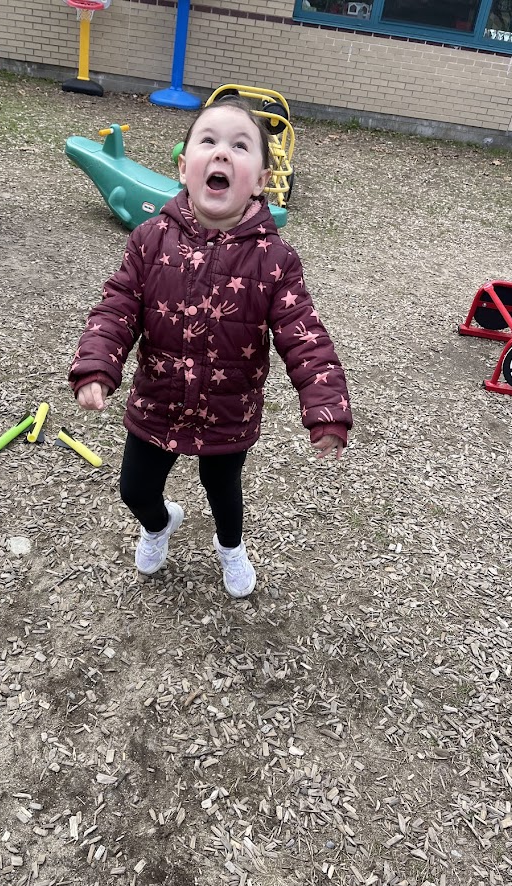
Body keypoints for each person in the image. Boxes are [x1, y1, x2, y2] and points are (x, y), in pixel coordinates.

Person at [69, 97, 352, 598]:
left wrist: (325, 407)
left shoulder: (275, 260)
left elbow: (304, 335)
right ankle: (159, 524)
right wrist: (97, 364)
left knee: (223, 493)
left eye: (239, 146)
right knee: (135, 489)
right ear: (184, 168)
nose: (222, 152)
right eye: (209, 140)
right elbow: (117, 306)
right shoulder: (149, 240)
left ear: (260, 181)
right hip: (157, 401)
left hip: (228, 410)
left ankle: (230, 547)